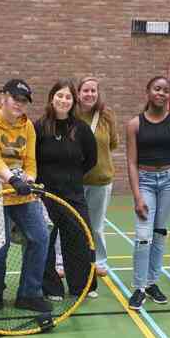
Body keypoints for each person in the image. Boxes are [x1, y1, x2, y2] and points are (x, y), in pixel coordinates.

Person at [0, 79, 52, 313]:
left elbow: (31, 162)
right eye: (16, 98)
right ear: (3, 96)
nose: (19, 104)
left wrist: (29, 179)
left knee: (40, 236)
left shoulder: (27, 127)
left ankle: (28, 293)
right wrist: (12, 179)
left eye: (24, 101)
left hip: (20, 192)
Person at [125, 76, 170, 310]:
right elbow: (131, 162)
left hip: (169, 181)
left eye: (165, 90)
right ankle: (139, 287)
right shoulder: (134, 125)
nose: (161, 93)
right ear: (148, 92)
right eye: (157, 89)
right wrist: (137, 196)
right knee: (143, 236)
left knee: (159, 234)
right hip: (146, 181)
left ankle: (152, 282)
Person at [35, 79, 97, 300]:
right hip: (45, 196)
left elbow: (91, 159)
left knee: (79, 239)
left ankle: (82, 286)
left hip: (74, 195)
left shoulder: (81, 129)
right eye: (59, 95)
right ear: (52, 98)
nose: (63, 100)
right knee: (46, 242)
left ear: (74, 101)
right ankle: (51, 288)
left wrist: (72, 178)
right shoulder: (39, 127)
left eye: (68, 97)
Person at [77, 76, 119, 287]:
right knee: (70, 223)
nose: (90, 94)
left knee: (96, 225)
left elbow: (112, 143)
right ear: (78, 93)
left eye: (93, 90)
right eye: (86, 90)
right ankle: (61, 261)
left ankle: (99, 261)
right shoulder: (71, 116)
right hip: (74, 181)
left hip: (101, 180)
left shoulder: (107, 116)